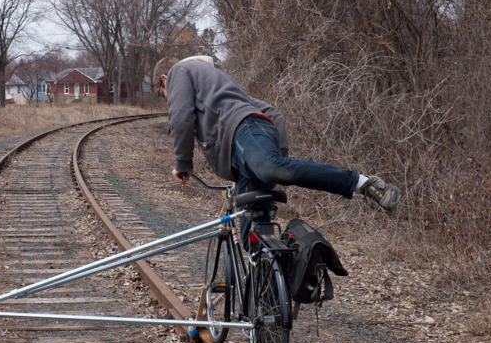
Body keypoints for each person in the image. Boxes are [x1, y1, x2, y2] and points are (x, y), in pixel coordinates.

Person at [153, 55, 401, 224]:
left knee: (270, 168)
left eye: (163, 95)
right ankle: (266, 294)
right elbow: (272, 112)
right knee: (253, 233)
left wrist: (183, 164)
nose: (168, 98)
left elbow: (181, 117)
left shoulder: (178, 71)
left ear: (164, 79)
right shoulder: (217, 84)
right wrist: (277, 158)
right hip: (249, 139)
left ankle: (364, 184)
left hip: (245, 129)